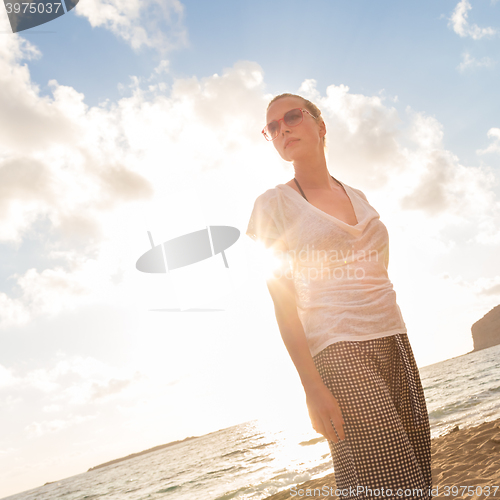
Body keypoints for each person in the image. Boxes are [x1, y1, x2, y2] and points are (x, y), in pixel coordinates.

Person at [246, 93, 432, 498]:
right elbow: (283, 300)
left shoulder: (358, 195)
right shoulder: (273, 204)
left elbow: (377, 266)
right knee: (392, 484)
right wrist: (311, 387)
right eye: (272, 127)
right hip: (337, 349)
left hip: (394, 338)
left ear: (320, 124)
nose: (282, 129)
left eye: (291, 117)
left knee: (418, 472)